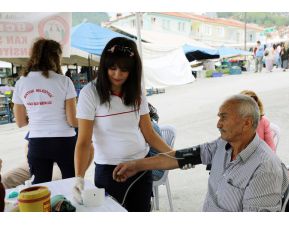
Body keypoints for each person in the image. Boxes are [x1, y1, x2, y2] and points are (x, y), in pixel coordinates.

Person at [113, 94, 289, 212]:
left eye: (224, 117)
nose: (218, 124)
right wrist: (136, 165)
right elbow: (179, 158)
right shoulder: (222, 145)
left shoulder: (265, 168)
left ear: (246, 123)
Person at [73, 37, 173, 212]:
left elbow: (149, 133)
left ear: (133, 70)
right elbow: (83, 141)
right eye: (112, 68)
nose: (117, 75)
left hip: (141, 166)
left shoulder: (137, 92)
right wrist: (79, 178)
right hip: (110, 171)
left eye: (124, 70)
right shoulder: (90, 93)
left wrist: (174, 155)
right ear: (104, 66)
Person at [12, 38, 78, 184]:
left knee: (41, 187)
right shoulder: (64, 81)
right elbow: (72, 120)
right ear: (56, 57)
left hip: (37, 142)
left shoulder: (21, 83)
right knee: (72, 184)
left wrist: (38, 115)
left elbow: (20, 122)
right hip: (65, 141)